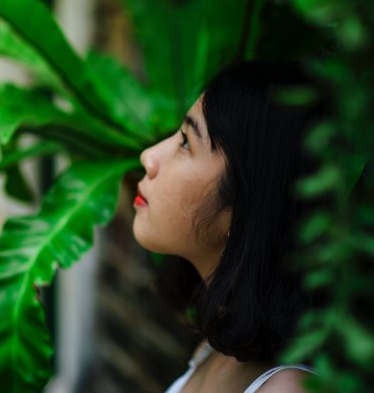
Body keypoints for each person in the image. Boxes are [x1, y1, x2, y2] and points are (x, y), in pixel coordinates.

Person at [132, 60, 327, 392]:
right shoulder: (214, 348)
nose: (148, 157)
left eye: (185, 143)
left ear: (246, 208)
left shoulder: (288, 389)